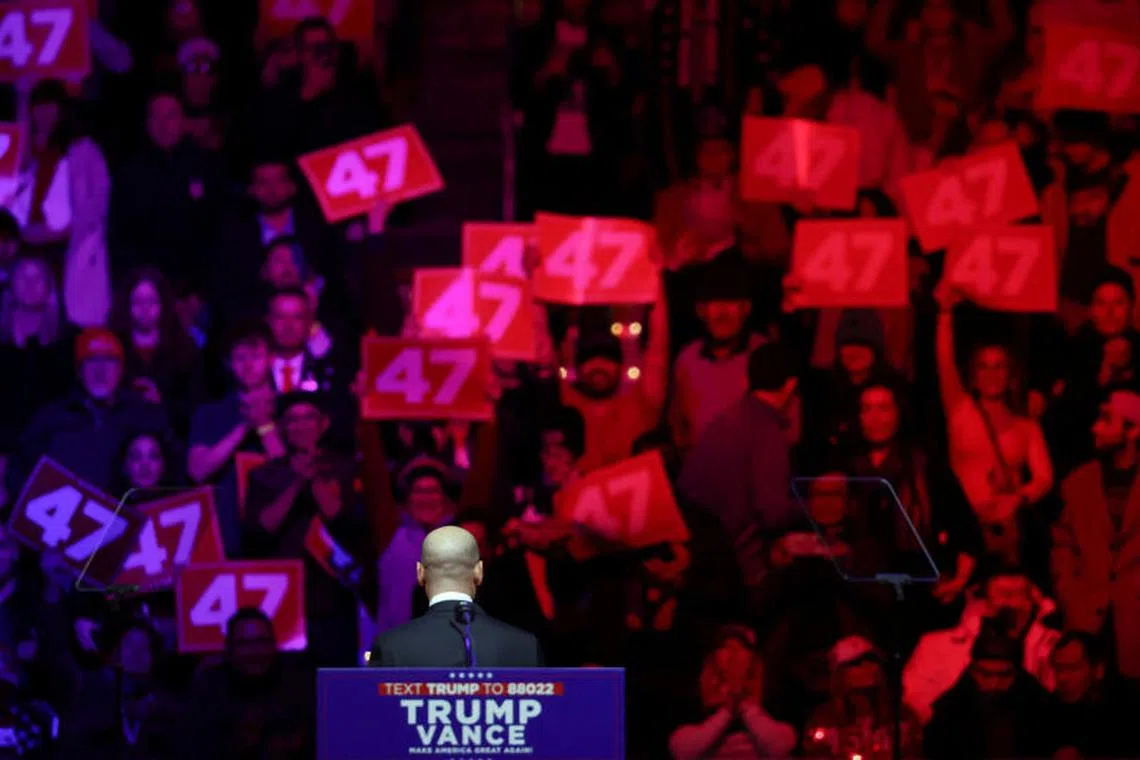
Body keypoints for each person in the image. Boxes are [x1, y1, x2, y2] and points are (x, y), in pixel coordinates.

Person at [367, 526, 544, 668]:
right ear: (479, 572)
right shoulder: (525, 646)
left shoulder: (390, 647)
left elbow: (377, 711)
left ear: (420, 573)